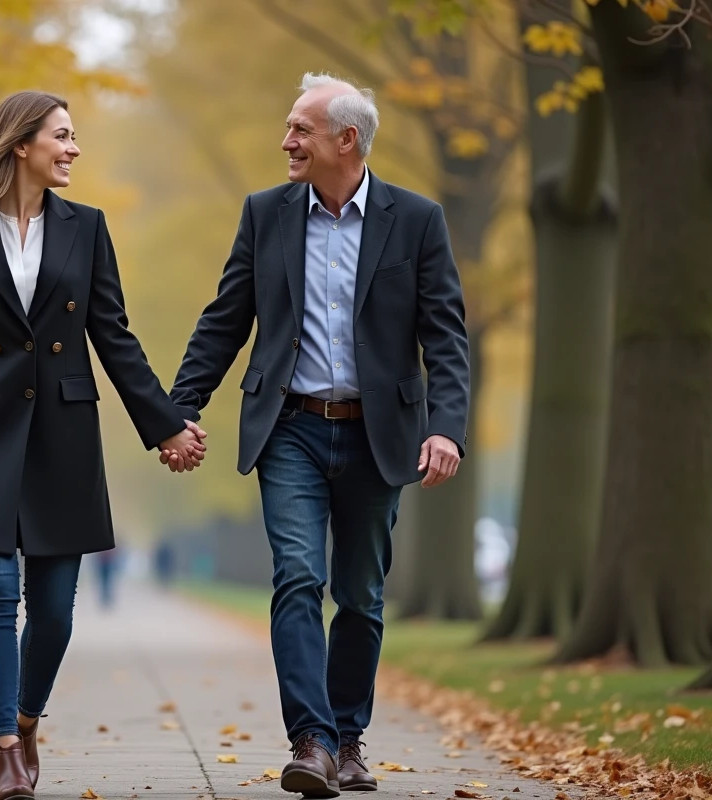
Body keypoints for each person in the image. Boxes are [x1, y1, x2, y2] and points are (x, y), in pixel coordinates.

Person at [0, 90, 206, 800]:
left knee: (54, 608)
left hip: (63, 431)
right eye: (63, 135)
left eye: (75, 136)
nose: (74, 149)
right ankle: (2, 750)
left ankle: (25, 722)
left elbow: (113, 335)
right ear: (21, 144)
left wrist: (167, 425)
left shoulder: (87, 228)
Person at [164, 73, 470, 797]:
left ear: (346, 141)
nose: (286, 141)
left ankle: (350, 739)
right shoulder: (265, 214)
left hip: (377, 436)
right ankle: (311, 740)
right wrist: (177, 408)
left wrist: (447, 429)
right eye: (287, 127)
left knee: (360, 594)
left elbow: (446, 337)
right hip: (291, 429)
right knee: (298, 576)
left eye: (300, 129)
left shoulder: (417, 221)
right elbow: (225, 318)